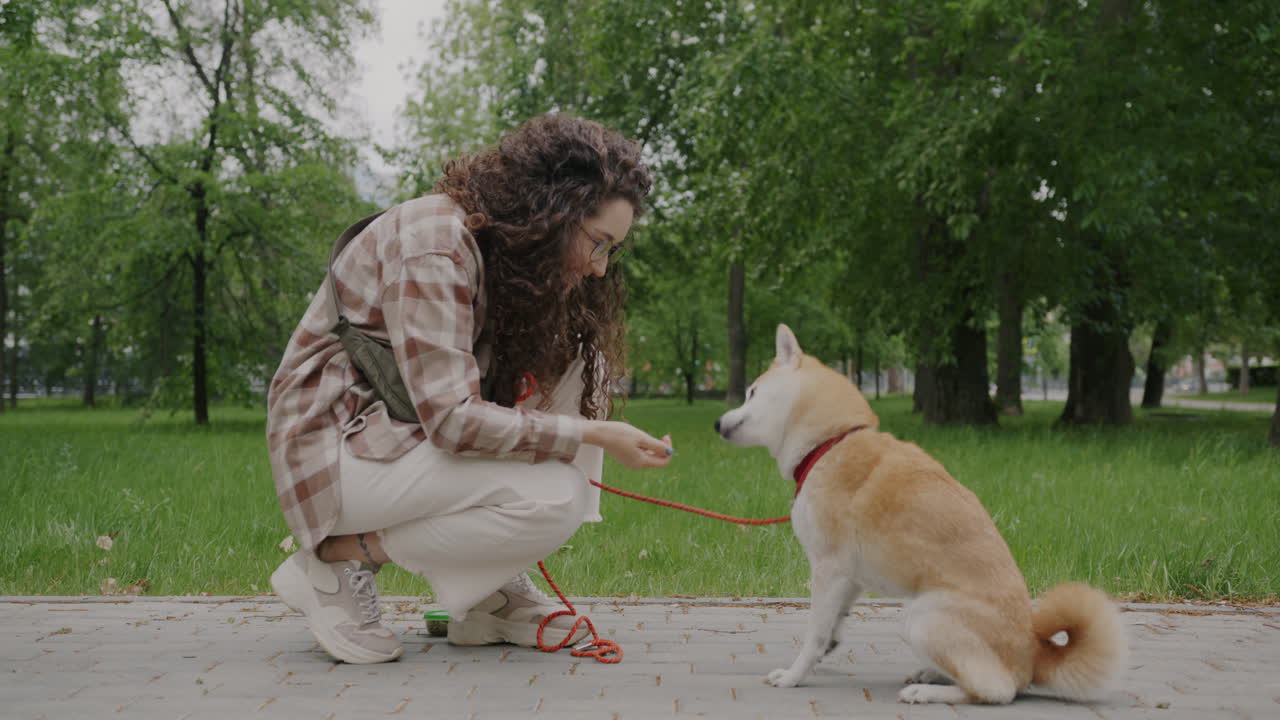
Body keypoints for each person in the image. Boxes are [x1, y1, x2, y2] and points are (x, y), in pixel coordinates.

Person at [265, 114, 673, 664]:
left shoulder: (501, 251)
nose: (600, 269)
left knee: (582, 360)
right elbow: (453, 421)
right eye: (598, 243)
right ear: (553, 214)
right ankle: (339, 559)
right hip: (334, 451)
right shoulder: (435, 247)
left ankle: (487, 593)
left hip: (397, 435)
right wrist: (593, 434)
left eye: (611, 251)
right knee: (556, 495)